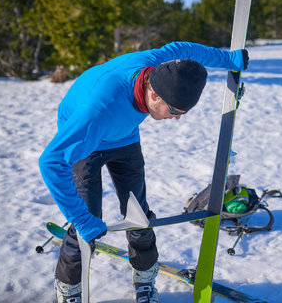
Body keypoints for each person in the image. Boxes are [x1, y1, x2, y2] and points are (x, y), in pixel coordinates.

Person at [39, 41, 249, 303]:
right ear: (154, 95)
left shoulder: (157, 63)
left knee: (138, 213)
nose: (176, 118)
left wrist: (228, 59)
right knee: (87, 220)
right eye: (174, 111)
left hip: (123, 135)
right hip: (87, 142)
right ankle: (68, 289)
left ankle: (145, 278)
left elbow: (186, 51)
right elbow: (50, 162)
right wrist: (80, 218)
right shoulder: (96, 113)